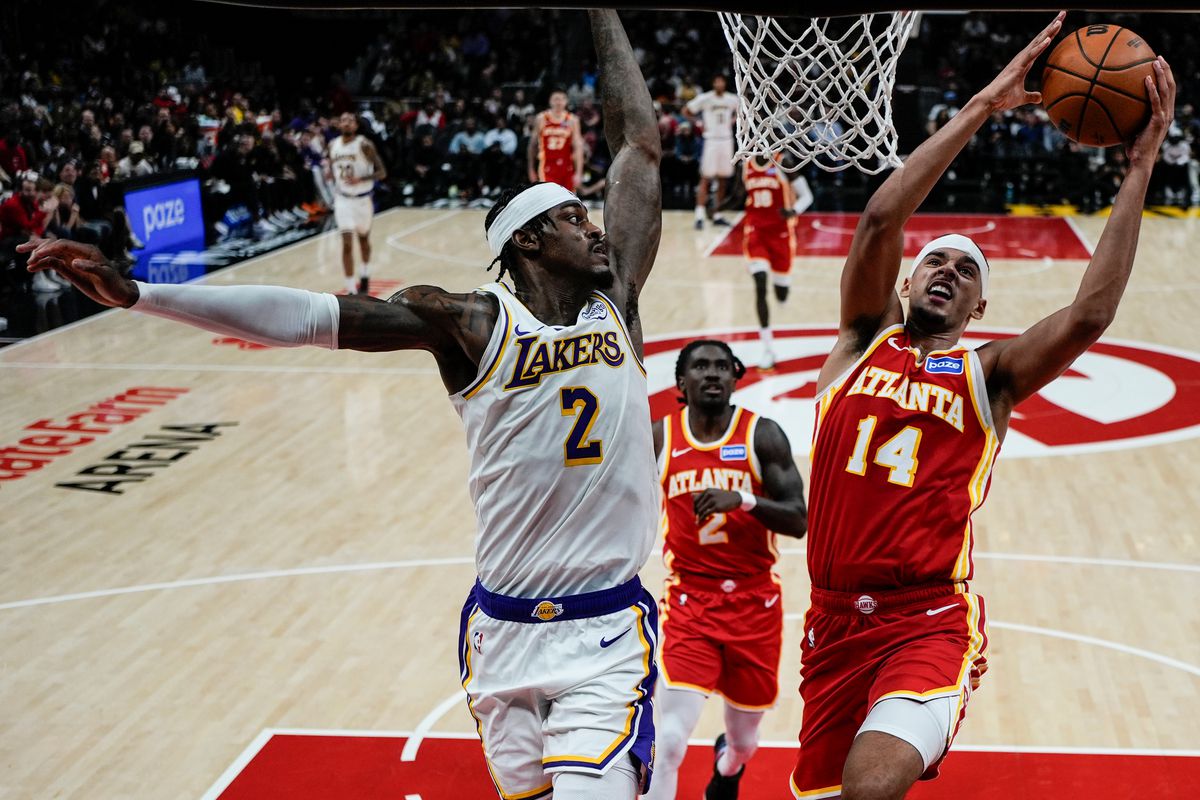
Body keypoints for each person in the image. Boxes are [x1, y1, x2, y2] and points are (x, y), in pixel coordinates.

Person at [22, 10, 662, 799]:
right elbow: (308, 317)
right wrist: (140, 294)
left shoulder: (617, 303)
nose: (595, 229)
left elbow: (638, 146)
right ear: (526, 242)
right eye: (572, 217)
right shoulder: (469, 323)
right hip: (502, 630)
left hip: (606, 632)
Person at [792, 15, 1174, 800]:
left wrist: (1138, 168)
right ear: (905, 282)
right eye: (935, 262)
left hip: (927, 621)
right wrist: (981, 106)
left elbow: (1089, 315)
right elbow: (881, 219)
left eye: (966, 272)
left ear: (980, 306)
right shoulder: (860, 341)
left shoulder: (989, 373)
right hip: (831, 624)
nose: (947, 272)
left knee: (870, 788)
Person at [646, 340, 807, 800]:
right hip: (689, 602)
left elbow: (799, 520)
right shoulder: (659, 437)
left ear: (736, 378)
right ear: (681, 382)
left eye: (722, 366)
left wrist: (745, 500)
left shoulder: (762, 435)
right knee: (668, 740)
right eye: (701, 366)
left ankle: (727, 766)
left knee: (744, 743)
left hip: (755, 605)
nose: (713, 373)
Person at [740, 153, 812, 370]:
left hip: (781, 235)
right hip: (755, 232)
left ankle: (782, 296)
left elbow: (807, 196)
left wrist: (793, 211)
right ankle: (767, 348)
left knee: (781, 293)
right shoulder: (745, 165)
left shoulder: (784, 162)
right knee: (760, 284)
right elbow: (738, 194)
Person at [326, 111, 387, 295]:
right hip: (343, 200)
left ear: (356, 125)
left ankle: (365, 274)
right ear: (339, 124)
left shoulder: (364, 144)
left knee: (363, 240)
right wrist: (330, 174)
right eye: (343, 120)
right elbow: (332, 167)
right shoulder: (332, 145)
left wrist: (361, 178)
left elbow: (382, 172)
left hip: (362, 200)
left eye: (350, 120)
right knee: (346, 244)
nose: (346, 123)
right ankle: (351, 290)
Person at [684, 75, 739, 229]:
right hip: (711, 140)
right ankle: (699, 216)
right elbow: (686, 110)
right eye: (717, 81)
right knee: (705, 178)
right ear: (713, 83)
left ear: (725, 83)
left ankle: (717, 214)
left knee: (723, 179)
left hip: (726, 140)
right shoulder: (705, 98)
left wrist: (734, 120)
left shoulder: (732, 99)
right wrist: (698, 123)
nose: (719, 83)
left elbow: (743, 111)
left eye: (722, 81)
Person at [527, 88, 584, 191]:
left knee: (568, 198)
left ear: (566, 101)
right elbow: (532, 145)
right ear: (550, 101)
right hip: (547, 166)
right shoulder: (542, 118)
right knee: (549, 196)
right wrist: (531, 169)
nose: (559, 102)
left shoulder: (572, 120)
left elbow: (578, 147)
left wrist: (579, 172)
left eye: (562, 99)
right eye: (556, 99)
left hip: (567, 166)